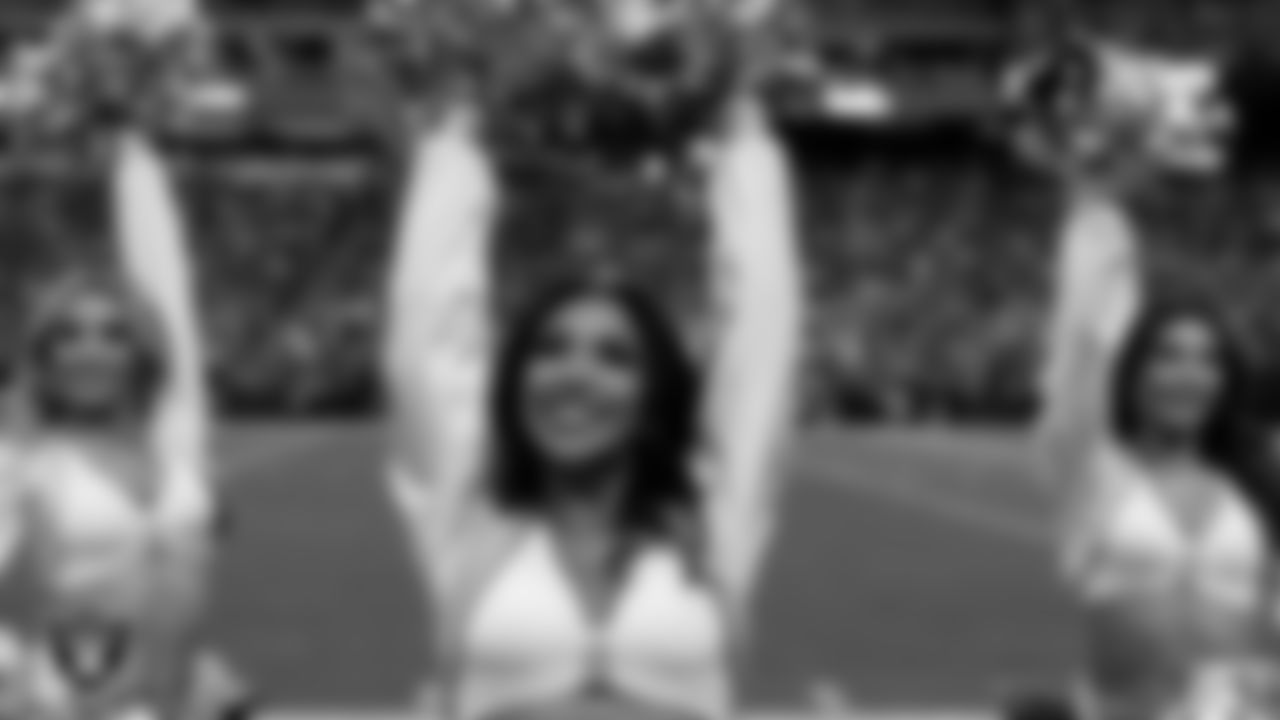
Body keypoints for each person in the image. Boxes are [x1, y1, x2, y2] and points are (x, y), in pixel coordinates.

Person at [382, 86, 803, 720]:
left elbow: (760, 353)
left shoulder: (711, 526)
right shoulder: (470, 521)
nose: (574, 375)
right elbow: (426, 346)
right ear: (516, 382)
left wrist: (747, 147)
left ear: (653, 398)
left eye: (615, 357)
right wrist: (454, 147)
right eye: (549, 349)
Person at [1029, 86, 1280, 720]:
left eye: (1207, 360)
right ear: (1134, 373)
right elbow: (1080, 352)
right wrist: (1095, 207)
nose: (1189, 375)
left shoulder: (1253, 483)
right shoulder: (1092, 474)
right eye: (1168, 356)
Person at [0, 129, 247, 720]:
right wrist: (19, 678)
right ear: (43, 359)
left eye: (113, 335)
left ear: (140, 354)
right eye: (68, 336)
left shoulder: (176, 459)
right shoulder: (20, 461)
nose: (91, 352)